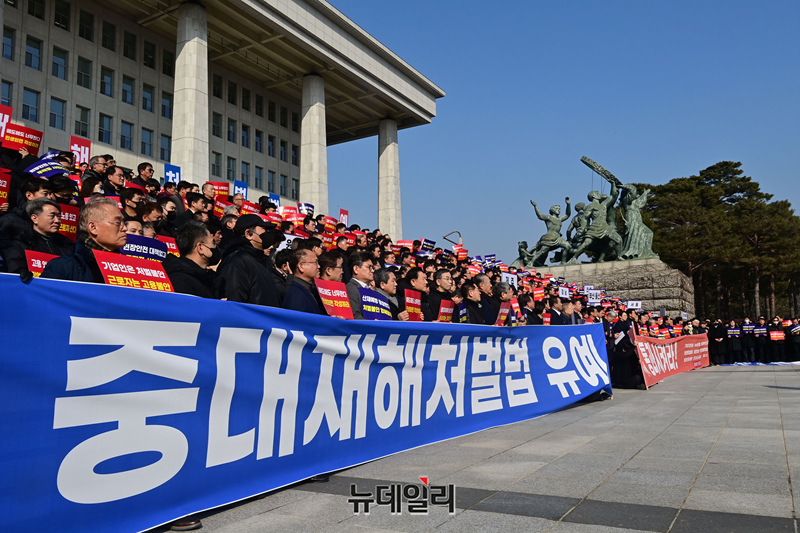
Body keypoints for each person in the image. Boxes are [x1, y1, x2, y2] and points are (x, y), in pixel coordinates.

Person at [41, 198, 127, 283]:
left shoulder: (132, 269)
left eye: (124, 223)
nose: (125, 229)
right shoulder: (62, 267)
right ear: (93, 228)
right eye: (118, 222)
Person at [215, 214, 281, 307]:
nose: (268, 234)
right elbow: (236, 303)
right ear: (248, 234)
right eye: (264, 230)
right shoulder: (237, 261)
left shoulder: (260, 259)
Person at [1, 198, 75, 274]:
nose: (57, 221)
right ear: (34, 218)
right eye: (52, 216)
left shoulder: (68, 244)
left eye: (59, 216)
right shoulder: (20, 243)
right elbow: (14, 270)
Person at [163, 221, 219, 298]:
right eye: (213, 243)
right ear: (200, 248)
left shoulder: (206, 276)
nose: (215, 247)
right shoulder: (180, 280)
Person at [282, 249, 326, 314]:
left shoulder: (311, 289)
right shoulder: (296, 295)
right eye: (315, 262)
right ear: (301, 266)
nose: (319, 266)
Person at [345, 252, 375, 320]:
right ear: (356, 269)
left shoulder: (370, 290)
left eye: (373, 268)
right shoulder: (351, 289)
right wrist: (373, 324)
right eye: (369, 267)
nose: (372, 271)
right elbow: (354, 316)